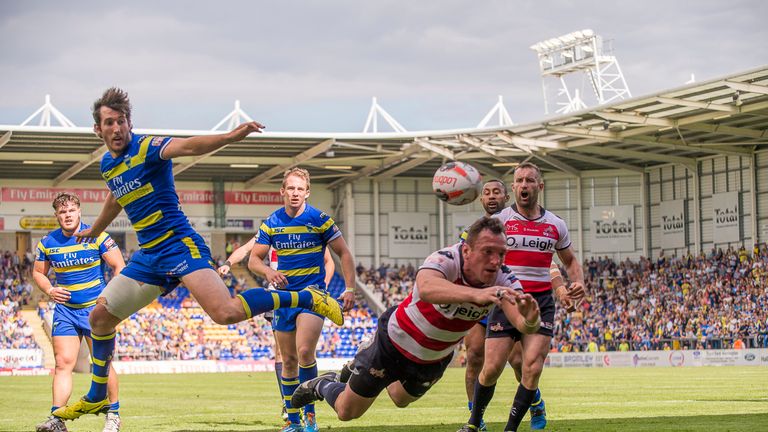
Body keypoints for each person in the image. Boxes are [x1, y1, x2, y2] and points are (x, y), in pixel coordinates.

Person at [53, 88, 343, 423]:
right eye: (109, 123)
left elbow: (189, 145)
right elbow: (116, 198)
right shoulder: (108, 164)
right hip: (149, 256)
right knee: (100, 318)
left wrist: (231, 137)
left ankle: (304, 298)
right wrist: (97, 227)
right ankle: (96, 395)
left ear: (129, 123)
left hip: (180, 245)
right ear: (97, 129)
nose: (116, 128)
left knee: (226, 312)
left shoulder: (147, 147)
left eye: (121, 121)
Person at [290, 217, 542, 424]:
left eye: (501, 253)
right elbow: (427, 287)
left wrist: (530, 320)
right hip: (393, 344)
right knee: (347, 412)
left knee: (400, 399)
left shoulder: (504, 279)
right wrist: (478, 294)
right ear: (467, 250)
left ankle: (358, 362)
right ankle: (322, 384)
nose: (496, 261)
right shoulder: (446, 259)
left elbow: (520, 323)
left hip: (433, 359)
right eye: (488, 252)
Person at [459, 162, 585, 432]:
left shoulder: (555, 225)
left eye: (530, 180)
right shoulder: (499, 222)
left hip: (539, 302)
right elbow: (471, 254)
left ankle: (511, 428)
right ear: (514, 187)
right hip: (505, 300)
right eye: (520, 181)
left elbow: (568, 260)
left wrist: (577, 283)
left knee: (530, 366)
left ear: (539, 186)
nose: (525, 185)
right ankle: (474, 423)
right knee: (489, 366)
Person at [247, 167, 356, 432]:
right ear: (282, 191)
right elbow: (253, 260)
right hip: (282, 299)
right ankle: (292, 421)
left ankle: (310, 418)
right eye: (291, 188)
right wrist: (268, 271)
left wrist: (350, 288)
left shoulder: (319, 219)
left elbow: (344, 253)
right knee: (288, 361)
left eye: (300, 189)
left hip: (311, 297)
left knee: (305, 351)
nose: (295, 193)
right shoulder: (272, 222)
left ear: (307, 192)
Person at [34, 192, 126, 432]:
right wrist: (49, 289)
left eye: (71, 211)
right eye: (62, 212)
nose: (67, 215)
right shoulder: (47, 242)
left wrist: (110, 300)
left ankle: (113, 415)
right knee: (63, 363)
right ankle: (57, 419)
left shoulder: (96, 237)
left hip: (95, 311)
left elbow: (119, 267)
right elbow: (38, 273)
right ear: (56, 215)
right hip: (65, 311)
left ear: (79, 212)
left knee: (101, 363)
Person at [218, 240, 335, 424]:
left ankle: (308, 409)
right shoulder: (271, 228)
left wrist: (324, 286)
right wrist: (228, 263)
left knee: (303, 351)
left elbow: (329, 260)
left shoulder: (308, 228)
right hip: (278, 297)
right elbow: (246, 250)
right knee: (283, 355)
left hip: (307, 294)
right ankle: (288, 405)